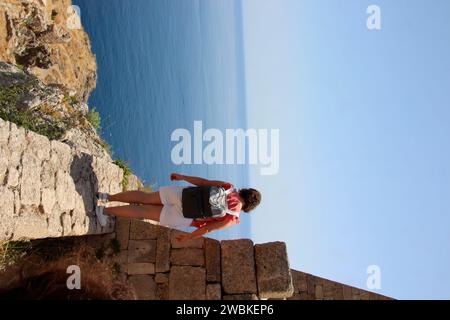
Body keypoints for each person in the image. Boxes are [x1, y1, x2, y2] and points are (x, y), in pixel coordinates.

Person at [95, 173, 261, 242]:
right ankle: (104, 211)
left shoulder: (229, 187)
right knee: (142, 211)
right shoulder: (233, 216)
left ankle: (106, 197)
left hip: (183, 194)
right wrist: (189, 238)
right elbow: (208, 229)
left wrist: (182, 176)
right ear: (249, 207)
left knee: (144, 197)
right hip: (186, 215)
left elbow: (203, 183)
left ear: (246, 191)